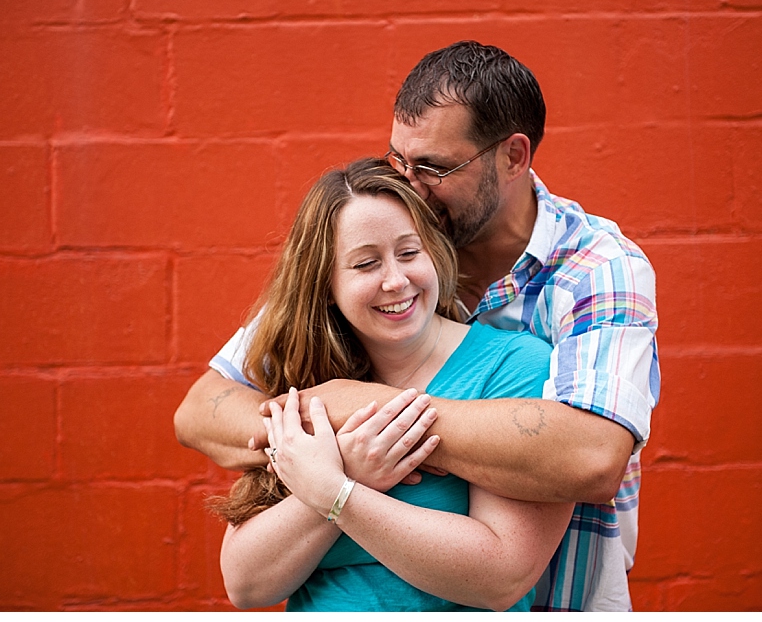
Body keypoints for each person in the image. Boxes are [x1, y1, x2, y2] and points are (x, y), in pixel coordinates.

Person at [175, 41, 660, 611]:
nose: (411, 183)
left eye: (433, 166)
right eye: (398, 159)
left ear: (513, 156)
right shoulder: (392, 245)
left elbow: (591, 457)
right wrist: (327, 441)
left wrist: (365, 412)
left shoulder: (597, 271)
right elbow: (202, 411)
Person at [213, 159, 574, 611]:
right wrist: (351, 472)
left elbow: (499, 578)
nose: (396, 281)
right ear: (326, 284)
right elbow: (246, 585)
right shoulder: (310, 378)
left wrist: (336, 493)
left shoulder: (513, 366)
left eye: (409, 253)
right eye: (366, 264)